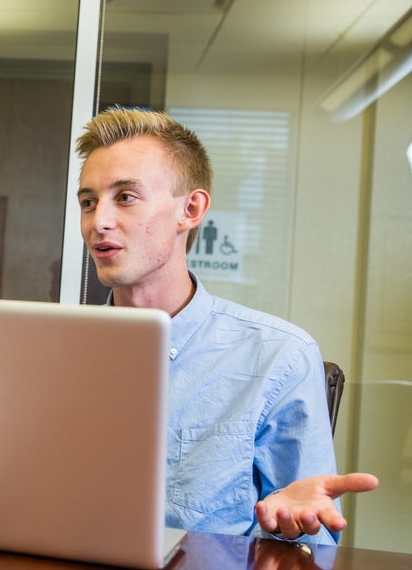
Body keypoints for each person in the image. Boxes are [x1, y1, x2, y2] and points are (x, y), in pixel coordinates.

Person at [74, 107, 377, 544]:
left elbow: (313, 544)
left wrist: (290, 528)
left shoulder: (280, 356)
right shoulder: (54, 351)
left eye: (125, 197)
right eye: (88, 202)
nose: (97, 221)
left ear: (191, 209)